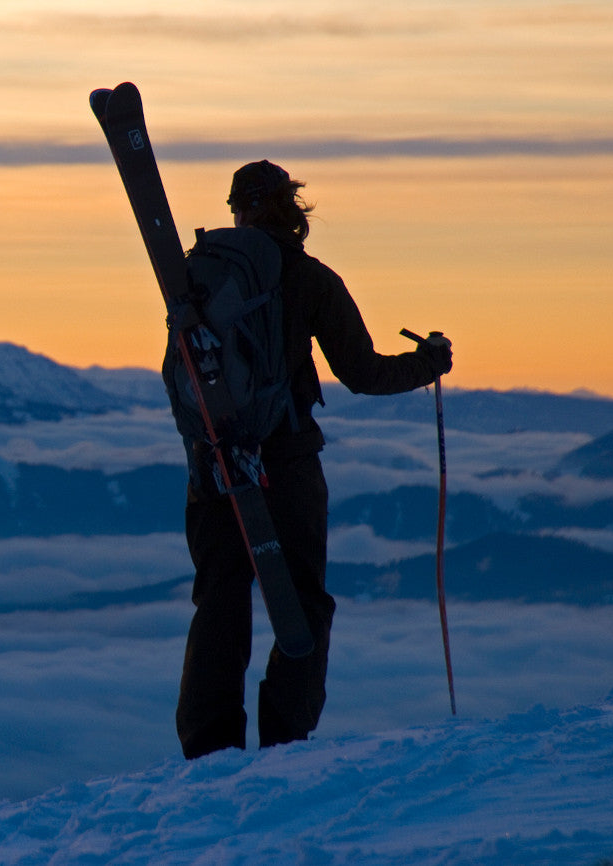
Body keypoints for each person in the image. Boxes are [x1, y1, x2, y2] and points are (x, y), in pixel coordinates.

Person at [167, 160, 453, 758]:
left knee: (220, 599)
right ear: (292, 209)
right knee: (301, 602)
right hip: (287, 466)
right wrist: (429, 363)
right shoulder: (310, 278)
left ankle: (208, 744)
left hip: (213, 465)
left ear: (235, 209)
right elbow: (365, 373)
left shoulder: (200, 276)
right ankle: (286, 741)